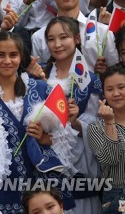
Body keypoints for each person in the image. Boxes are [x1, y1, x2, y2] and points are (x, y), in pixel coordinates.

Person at [0, 32, 71, 213]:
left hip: (45, 182)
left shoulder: (42, 89)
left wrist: (44, 138)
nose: (7, 61)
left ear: (21, 57)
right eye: (1, 55)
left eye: (13, 55)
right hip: (10, 187)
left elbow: (65, 141)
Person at [43, 17, 102, 213]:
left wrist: (77, 123)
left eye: (63, 37)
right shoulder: (40, 77)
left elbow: (99, 124)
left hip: (80, 160)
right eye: (51, 39)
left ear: (77, 38)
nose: (57, 44)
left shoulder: (89, 80)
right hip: (47, 155)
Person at [31, 0, 118, 73]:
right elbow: (39, 74)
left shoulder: (102, 32)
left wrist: (105, 72)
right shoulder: (39, 37)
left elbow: (115, 70)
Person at [88, 64, 125, 214]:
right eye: (109, 89)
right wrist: (110, 122)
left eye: (121, 87)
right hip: (117, 194)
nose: (116, 93)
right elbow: (110, 158)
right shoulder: (96, 127)